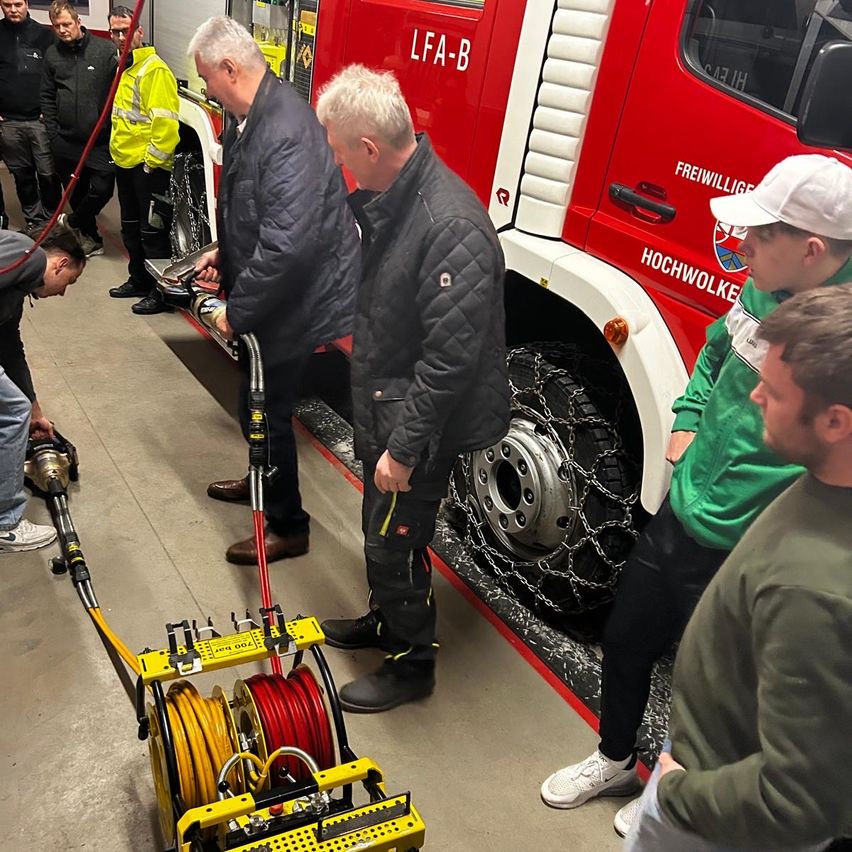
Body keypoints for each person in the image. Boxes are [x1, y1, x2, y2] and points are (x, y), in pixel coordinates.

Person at [540, 154, 852, 835]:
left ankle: (674, 785)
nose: (742, 248)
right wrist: (683, 425)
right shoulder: (766, 288)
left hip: (750, 542)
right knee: (626, 639)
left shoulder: (840, 345)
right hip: (688, 508)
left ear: (811, 249)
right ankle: (616, 757)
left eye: (759, 236)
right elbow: (715, 353)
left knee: (712, 682)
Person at [625, 284, 852, 851]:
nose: (753, 399)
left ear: (834, 423)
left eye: (772, 392)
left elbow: (796, 801)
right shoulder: (824, 481)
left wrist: (676, 796)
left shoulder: (811, 589)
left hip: (714, 821)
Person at [315, 65, 511, 714]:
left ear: (369, 148)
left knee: (393, 539)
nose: (341, 165)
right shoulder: (398, 202)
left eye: (341, 152)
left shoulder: (447, 224)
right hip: (391, 408)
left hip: (419, 426)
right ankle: (385, 620)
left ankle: (409, 664)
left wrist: (401, 451)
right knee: (382, 531)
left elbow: (449, 362)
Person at [187, 17, 359, 565]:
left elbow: (288, 247)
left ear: (230, 69)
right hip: (279, 290)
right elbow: (257, 211)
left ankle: (288, 527)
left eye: (207, 79)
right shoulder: (252, 114)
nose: (207, 90)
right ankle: (260, 475)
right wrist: (226, 254)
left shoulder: (284, 129)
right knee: (253, 400)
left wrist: (237, 311)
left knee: (266, 407)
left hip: (295, 298)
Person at [0, 228, 85, 553]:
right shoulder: (30, 256)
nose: (63, 293)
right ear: (60, 264)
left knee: (17, 408)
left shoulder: (16, 288)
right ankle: (5, 525)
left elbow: (10, 350)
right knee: (11, 414)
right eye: (70, 282)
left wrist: (36, 411)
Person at [106, 5, 179, 316]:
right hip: (125, 163)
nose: (120, 36)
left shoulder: (155, 70)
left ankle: (158, 293)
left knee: (153, 233)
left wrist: (151, 163)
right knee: (130, 228)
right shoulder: (126, 67)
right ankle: (138, 280)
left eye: (126, 30)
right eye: (115, 31)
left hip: (147, 169)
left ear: (140, 31)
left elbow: (166, 125)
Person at [42, 0, 116, 257]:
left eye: (66, 24)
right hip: (65, 140)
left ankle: (73, 222)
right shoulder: (52, 54)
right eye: (56, 26)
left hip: (99, 140)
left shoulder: (104, 50)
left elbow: (118, 89)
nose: (62, 30)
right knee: (76, 191)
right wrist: (52, 134)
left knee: (103, 189)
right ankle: (92, 237)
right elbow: (47, 95)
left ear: (78, 22)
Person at [0, 0, 62, 236]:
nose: (13, 9)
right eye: (7, 5)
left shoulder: (44, 37)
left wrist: (51, 108)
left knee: (48, 174)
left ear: (26, 4)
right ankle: (34, 221)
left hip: (39, 121)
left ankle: (52, 221)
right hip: (9, 123)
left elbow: (56, 75)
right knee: (22, 175)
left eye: (17, 4)